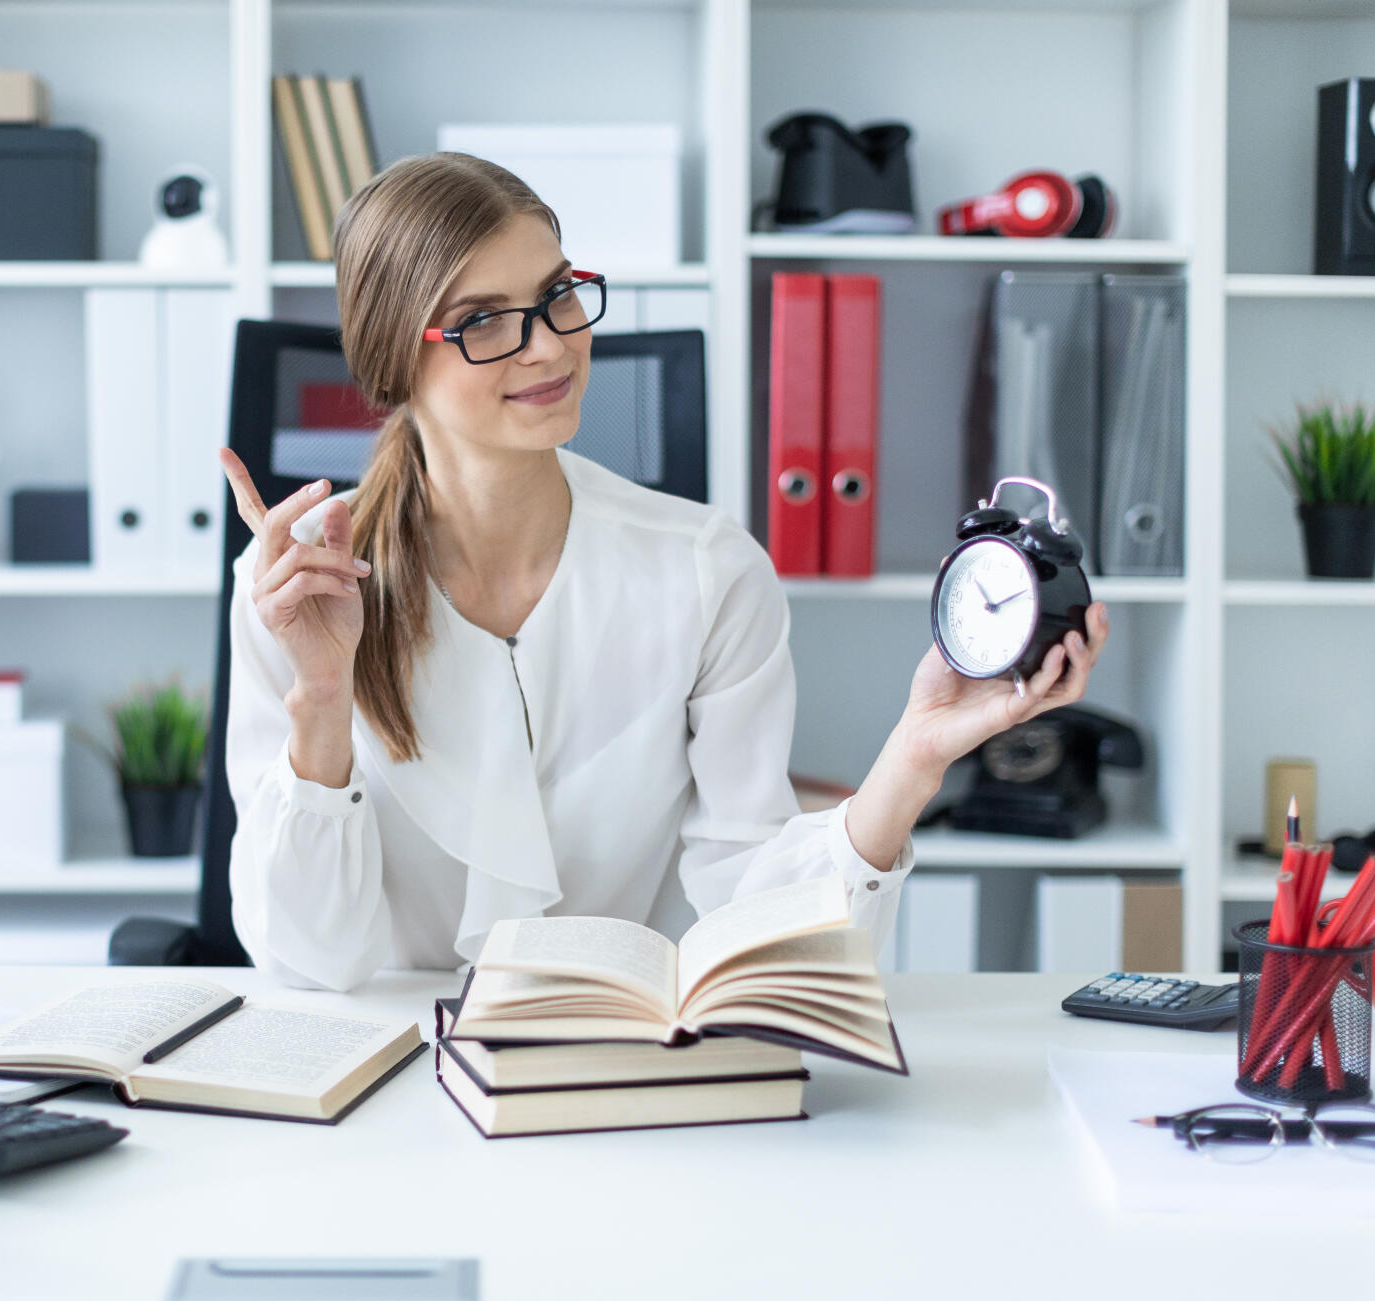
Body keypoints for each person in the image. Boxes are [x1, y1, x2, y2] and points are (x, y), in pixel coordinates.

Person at [219, 152, 1109, 992]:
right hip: (399, 1078)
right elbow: (308, 962)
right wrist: (324, 698)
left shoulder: (707, 570)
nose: (548, 347)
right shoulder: (302, 591)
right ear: (390, 357)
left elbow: (760, 918)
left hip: (625, 1072)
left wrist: (913, 758)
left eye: (559, 294)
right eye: (486, 320)